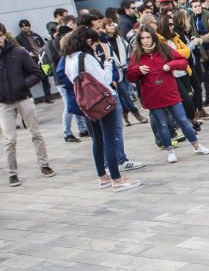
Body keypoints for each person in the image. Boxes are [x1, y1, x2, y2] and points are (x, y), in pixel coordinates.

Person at [63, 26, 141, 191]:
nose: (95, 47)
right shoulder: (86, 57)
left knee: (97, 140)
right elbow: (104, 79)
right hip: (102, 101)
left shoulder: (69, 58)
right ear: (88, 41)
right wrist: (107, 62)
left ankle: (103, 176)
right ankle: (117, 179)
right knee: (109, 140)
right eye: (94, 44)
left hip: (86, 103)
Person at [128, 25, 209, 164]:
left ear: (153, 37)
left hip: (170, 93)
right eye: (142, 38)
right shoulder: (136, 55)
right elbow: (130, 77)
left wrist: (171, 65)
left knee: (183, 121)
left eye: (148, 37)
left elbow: (183, 61)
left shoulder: (164, 49)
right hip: (152, 97)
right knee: (162, 125)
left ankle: (197, 146)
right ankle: (170, 151)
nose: (145, 41)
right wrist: (137, 70)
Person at [0, 23, 54, 187]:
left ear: (3, 35)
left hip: (24, 98)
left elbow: (36, 73)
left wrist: (23, 84)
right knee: (9, 139)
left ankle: (44, 165)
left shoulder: (18, 52)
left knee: (35, 133)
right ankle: (12, 174)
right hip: (4, 103)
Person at [14, 20, 53, 103]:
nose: (24, 27)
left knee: (45, 78)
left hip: (41, 59)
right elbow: (18, 49)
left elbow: (43, 46)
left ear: (29, 26)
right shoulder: (18, 38)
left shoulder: (36, 35)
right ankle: (30, 98)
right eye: (22, 26)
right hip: (30, 61)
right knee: (30, 80)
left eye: (26, 25)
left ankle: (48, 97)